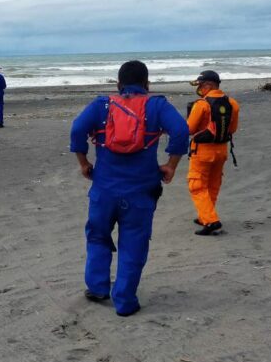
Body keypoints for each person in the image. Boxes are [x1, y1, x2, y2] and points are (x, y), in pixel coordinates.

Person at [70, 60, 188, 316]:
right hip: (141, 191)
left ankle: (98, 287)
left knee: (98, 236)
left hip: (104, 189)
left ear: (118, 84)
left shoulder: (102, 104)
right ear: (147, 84)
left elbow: (77, 129)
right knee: (134, 242)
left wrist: (83, 163)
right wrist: (171, 165)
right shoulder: (157, 106)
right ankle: (124, 301)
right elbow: (181, 131)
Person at [186, 70, 240, 236]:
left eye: (201, 86)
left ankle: (210, 221)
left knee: (197, 185)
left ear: (208, 85)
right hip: (221, 150)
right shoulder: (232, 103)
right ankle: (206, 215)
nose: (200, 89)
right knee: (212, 185)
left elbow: (189, 129)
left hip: (202, 151)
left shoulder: (201, 104)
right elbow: (232, 129)